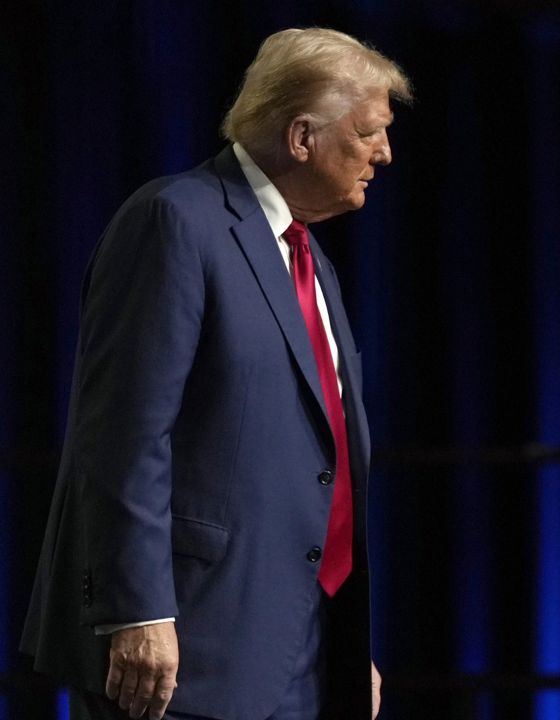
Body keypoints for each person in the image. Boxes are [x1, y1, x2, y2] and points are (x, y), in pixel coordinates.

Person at [21, 28, 412, 720]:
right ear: (301, 137)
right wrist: (136, 611)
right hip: (183, 651)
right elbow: (123, 434)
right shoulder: (176, 220)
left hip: (299, 652)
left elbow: (320, 467)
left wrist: (343, 645)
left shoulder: (311, 259)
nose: (384, 152)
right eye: (368, 132)